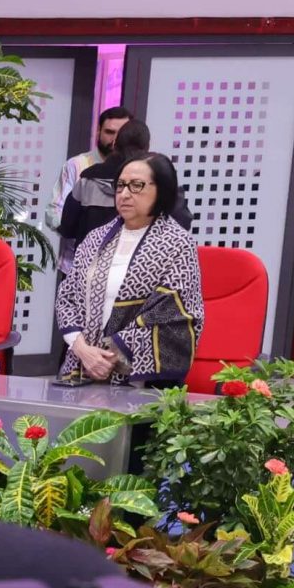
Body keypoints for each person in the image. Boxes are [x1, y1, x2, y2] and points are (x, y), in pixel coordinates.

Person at [55, 149, 202, 388]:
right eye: (121, 185)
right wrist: (84, 350)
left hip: (140, 381)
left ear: (161, 191)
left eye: (136, 186)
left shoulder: (178, 244)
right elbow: (67, 298)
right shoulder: (95, 239)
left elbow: (173, 314)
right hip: (84, 366)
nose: (124, 194)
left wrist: (111, 355)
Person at [57, 117, 190, 259]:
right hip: (144, 266)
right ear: (147, 147)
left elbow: (67, 228)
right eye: (121, 185)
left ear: (115, 144)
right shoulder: (160, 181)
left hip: (91, 265)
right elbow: (182, 223)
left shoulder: (87, 181)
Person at [48, 105, 131, 235]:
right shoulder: (76, 165)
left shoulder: (137, 170)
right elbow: (56, 209)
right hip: (78, 250)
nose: (115, 140)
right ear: (98, 131)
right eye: (109, 132)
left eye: (121, 134)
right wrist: (76, 232)